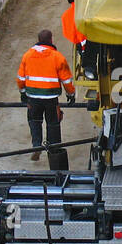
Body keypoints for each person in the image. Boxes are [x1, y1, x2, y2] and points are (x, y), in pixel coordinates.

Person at [17, 30, 75, 162]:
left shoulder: (27, 56)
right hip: (51, 99)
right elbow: (66, 80)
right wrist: (71, 95)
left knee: (34, 121)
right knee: (53, 124)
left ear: (38, 39)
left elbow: (20, 78)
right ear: (51, 40)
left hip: (33, 97)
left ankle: (36, 146)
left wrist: (23, 93)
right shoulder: (57, 57)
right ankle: (54, 151)